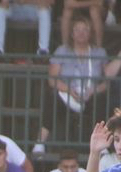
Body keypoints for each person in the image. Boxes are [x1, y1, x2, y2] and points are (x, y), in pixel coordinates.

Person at [36, 17, 108, 149]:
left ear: (90, 33)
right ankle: (40, 142)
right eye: (77, 30)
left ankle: (100, 146)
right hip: (67, 94)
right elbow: (52, 79)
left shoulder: (99, 52)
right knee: (51, 95)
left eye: (85, 30)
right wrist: (68, 90)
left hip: (91, 95)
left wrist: (94, 90)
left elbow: (107, 81)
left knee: (101, 99)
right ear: (72, 33)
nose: (81, 33)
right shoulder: (62, 51)